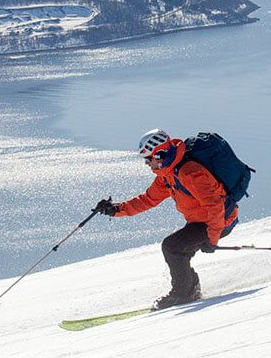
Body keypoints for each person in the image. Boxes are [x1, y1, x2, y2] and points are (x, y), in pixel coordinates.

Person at [95, 128, 238, 310]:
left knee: (172, 247)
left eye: (149, 159)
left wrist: (212, 239)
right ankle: (190, 287)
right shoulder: (168, 174)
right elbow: (147, 200)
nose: (147, 164)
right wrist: (115, 210)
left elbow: (215, 206)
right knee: (178, 250)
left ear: (160, 155)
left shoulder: (189, 172)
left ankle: (184, 294)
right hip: (203, 221)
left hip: (220, 221)